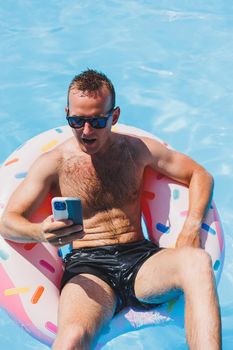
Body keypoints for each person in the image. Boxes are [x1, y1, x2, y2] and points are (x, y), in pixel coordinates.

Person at [0, 69, 221, 350]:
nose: (87, 131)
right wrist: (41, 232)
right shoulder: (54, 163)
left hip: (141, 259)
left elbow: (200, 174)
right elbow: (7, 222)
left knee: (197, 262)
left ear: (114, 116)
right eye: (77, 121)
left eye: (97, 121)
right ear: (67, 113)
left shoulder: (136, 150)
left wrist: (191, 227)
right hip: (89, 268)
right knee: (71, 339)